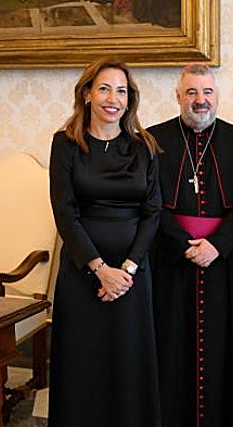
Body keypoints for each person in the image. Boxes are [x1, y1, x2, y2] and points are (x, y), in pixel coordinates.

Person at [48, 57, 163, 427]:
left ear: (130, 100)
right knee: (83, 362)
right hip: (82, 271)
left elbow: (153, 212)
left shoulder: (145, 146)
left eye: (122, 91)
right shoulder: (65, 144)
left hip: (132, 276)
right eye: (104, 89)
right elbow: (65, 213)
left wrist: (127, 270)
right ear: (87, 94)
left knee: (129, 361)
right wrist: (100, 270)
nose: (114, 99)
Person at [147, 63, 233, 426]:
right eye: (192, 92)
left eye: (207, 92)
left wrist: (217, 245)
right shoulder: (151, 141)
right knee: (170, 341)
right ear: (178, 96)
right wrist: (183, 243)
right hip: (169, 260)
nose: (200, 100)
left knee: (220, 341)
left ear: (217, 96)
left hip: (221, 261)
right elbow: (148, 203)